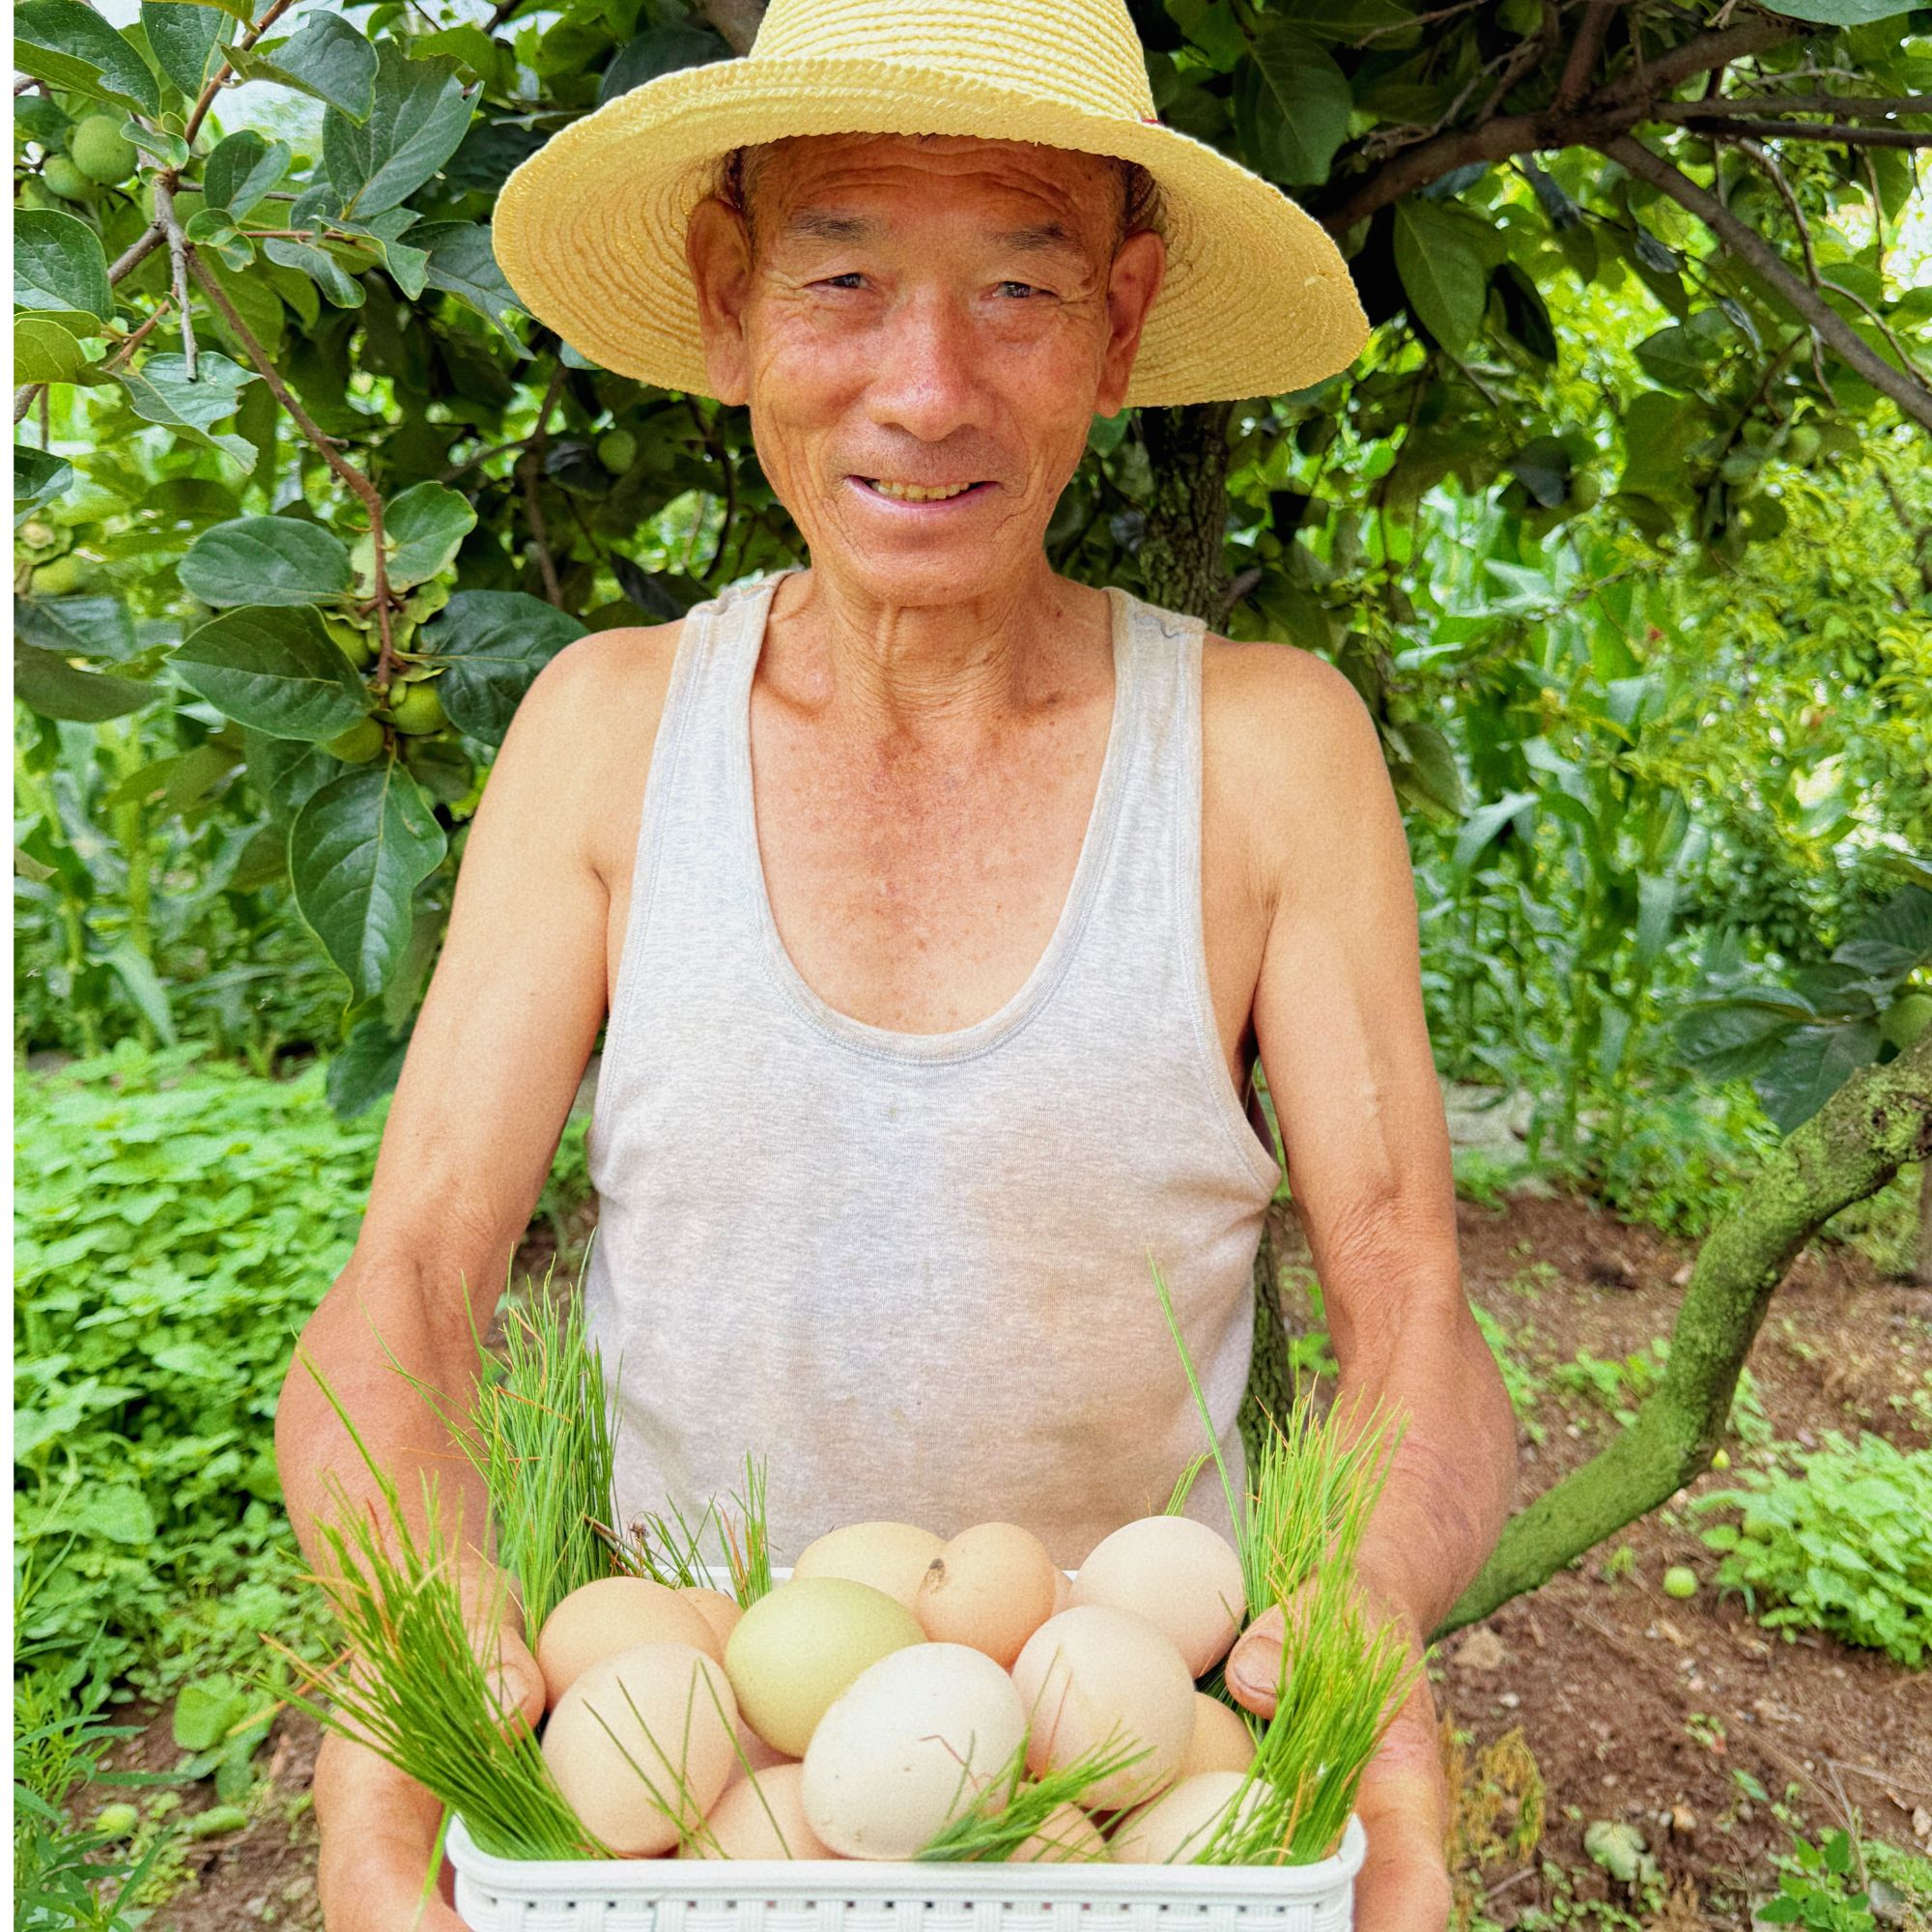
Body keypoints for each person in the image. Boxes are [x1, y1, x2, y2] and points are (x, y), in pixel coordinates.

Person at [274, 0, 1517, 1924]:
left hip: (1121, 1784)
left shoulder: (1268, 756)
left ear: (1119, 322)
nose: (927, 392)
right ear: (728, 300)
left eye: (1019, 289)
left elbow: (1414, 1304)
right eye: (841, 280)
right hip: (688, 1793)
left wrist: (1366, 1608)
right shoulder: (609, 735)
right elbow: (411, 1289)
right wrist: (417, 1618)